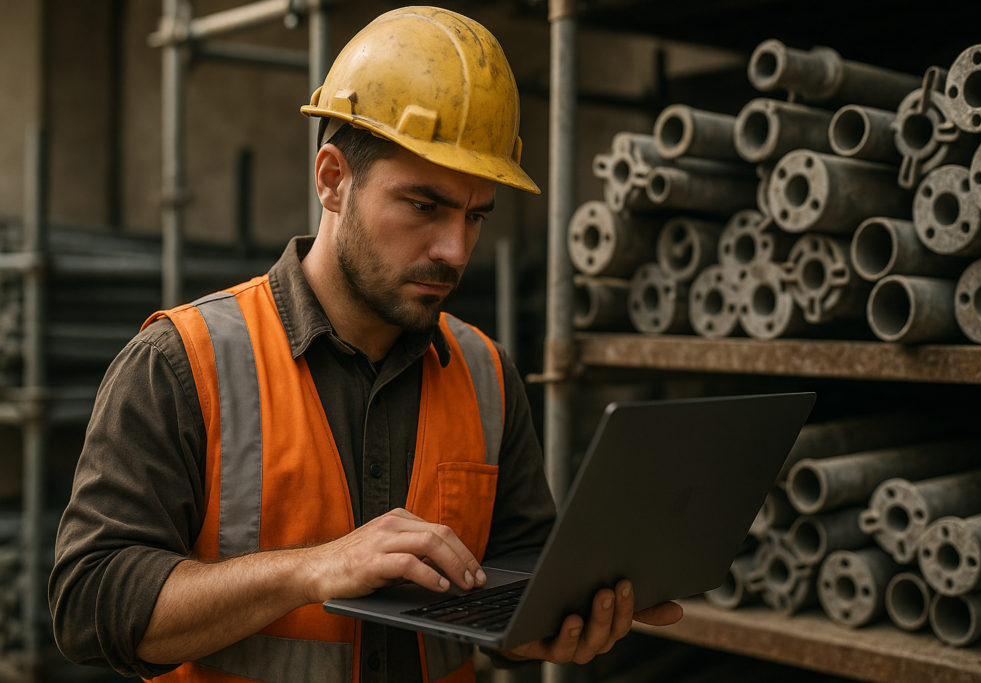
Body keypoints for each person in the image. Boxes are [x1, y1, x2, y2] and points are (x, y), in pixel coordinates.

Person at [49, 7, 682, 683]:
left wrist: (539, 627)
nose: (454, 250)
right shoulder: (183, 362)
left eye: (475, 216)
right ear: (331, 179)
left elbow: (515, 575)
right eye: (423, 205)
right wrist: (314, 567)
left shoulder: (488, 374)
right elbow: (89, 605)